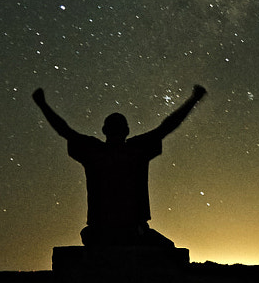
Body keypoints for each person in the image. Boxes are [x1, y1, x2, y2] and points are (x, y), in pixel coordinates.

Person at [32, 85, 207, 246]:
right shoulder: (137, 149)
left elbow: (64, 131)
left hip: (100, 231)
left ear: (104, 131)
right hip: (131, 231)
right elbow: (167, 126)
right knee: (169, 252)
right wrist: (193, 100)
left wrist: (42, 104)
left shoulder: (94, 151)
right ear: (127, 131)